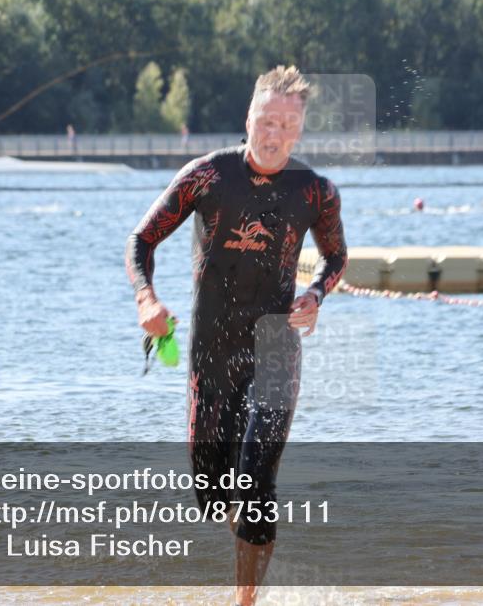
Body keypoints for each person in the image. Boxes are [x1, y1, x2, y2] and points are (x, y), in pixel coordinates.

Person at [126, 66, 348, 606]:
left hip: (275, 349)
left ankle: (244, 600)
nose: (275, 134)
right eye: (267, 121)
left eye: (288, 125)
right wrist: (146, 299)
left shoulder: (315, 191)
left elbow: (336, 257)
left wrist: (316, 294)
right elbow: (142, 241)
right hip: (212, 352)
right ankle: (254, 553)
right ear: (247, 119)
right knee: (214, 494)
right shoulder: (207, 177)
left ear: (299, 130)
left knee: (255, 483)